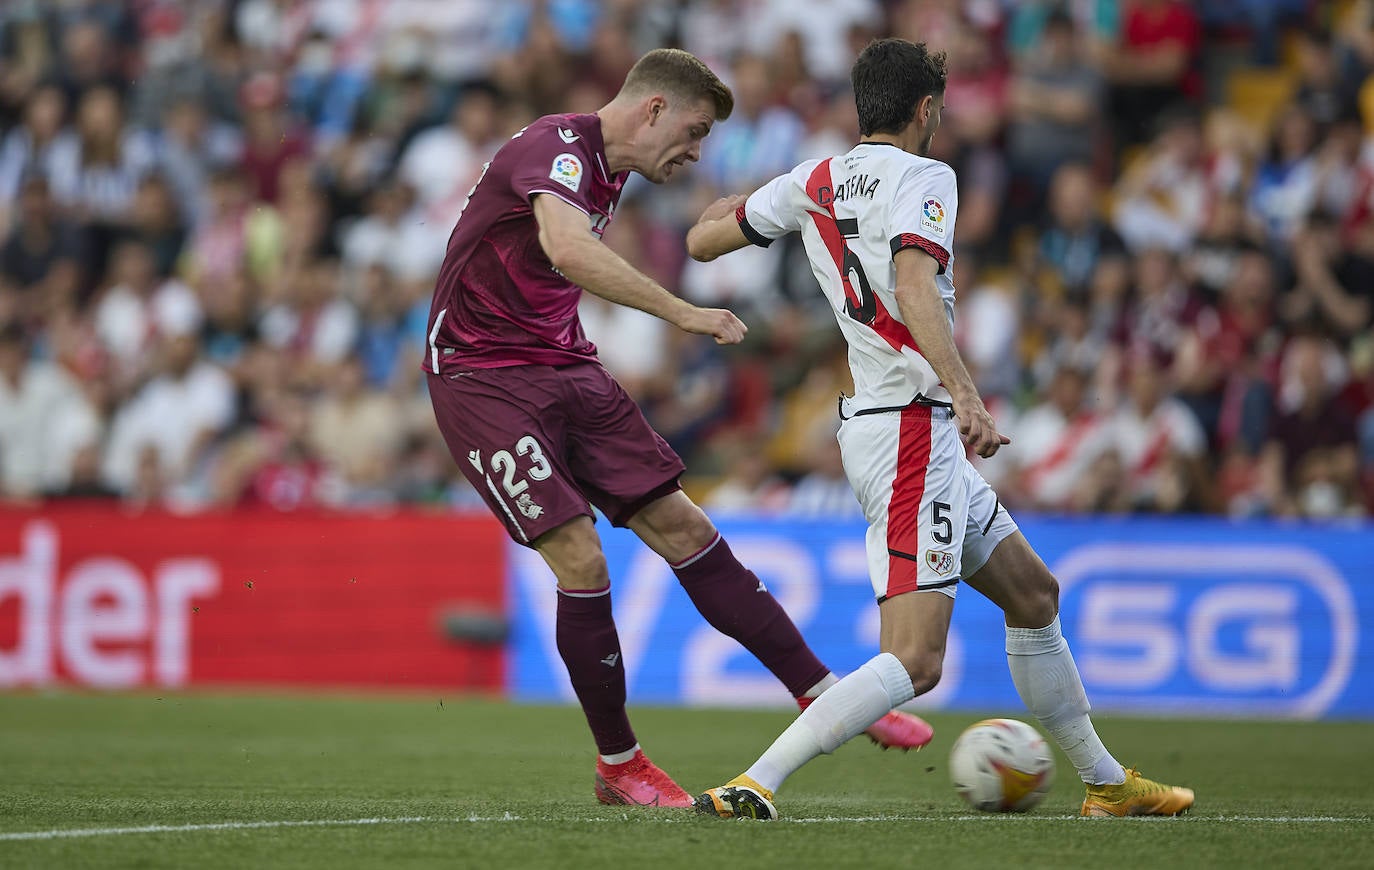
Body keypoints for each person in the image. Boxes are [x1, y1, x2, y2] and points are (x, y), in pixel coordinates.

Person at [685, 38, 1194, 821]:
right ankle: (756, 781)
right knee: (915, 660)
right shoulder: (929, 176)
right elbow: (917, 283)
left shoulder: (811, 180)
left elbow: (703, 240)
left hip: (893, 426)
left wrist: (741, 208)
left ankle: (1105, 782)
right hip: (913, 428)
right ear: (926, 110)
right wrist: (967, 393)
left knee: (1033, 593)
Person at [421, 47, 934, 810]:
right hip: (481, 375)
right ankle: (619, 765)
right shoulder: (555, 148)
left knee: (685, 526)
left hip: (563, 364)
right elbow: (566, 248)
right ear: (652, 109)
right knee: (583, 559)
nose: (695, 154)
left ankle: (822, 695)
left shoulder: (613, 170)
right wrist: (683, 311)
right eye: (693, 134)